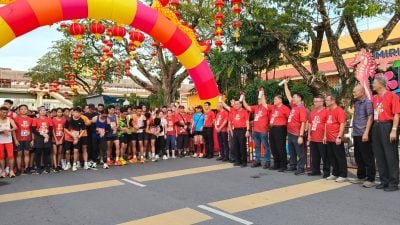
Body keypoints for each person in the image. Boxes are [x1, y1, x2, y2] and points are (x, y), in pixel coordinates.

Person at [371, 76, 400, 191]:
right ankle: (384, 181)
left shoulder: (392, 96)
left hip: (388, 125)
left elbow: (397, 114)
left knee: (390, 155)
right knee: (379, 155)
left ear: (381, 84)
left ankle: (393, 183)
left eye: (374, 83)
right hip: (377, 125)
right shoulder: (375, 98)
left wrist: (393, 130)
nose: (373, 85)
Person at [349, 85, 376, 187]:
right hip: (356, 133)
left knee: (367, 157)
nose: (354, 93)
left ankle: (370, 179)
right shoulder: (356, 103)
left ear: (361, 92)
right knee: (358, 156)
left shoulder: (367, 102)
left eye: (355, 92)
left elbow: (370, 117)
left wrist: (366, 132)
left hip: (364, 133)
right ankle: (361, 177)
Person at [283, 80, 307, 175]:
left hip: (297, 134)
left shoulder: (302, 109)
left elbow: (303, 123)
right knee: (292, 151)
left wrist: (301, 136)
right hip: (290, 132)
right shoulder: (294, 106)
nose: (293, 98)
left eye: (295, 97)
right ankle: (293, 165)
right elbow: (288, 95)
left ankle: (301, 168)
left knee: (300, 152)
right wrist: (285, 84)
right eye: (293, 97)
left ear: (300, 99)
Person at [243, 90, 271, 169]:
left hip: (263, 131)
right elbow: (247, 107)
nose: (259, 101)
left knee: (266, 146)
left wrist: (262, 93)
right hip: (255, 131)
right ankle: (257, 160)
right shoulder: (256, 107)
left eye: (260, 99)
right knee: (257, 146)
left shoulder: (266, 107)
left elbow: (264, 101)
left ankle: (267, 161)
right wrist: (243, 99)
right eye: (258, 99)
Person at [324, 94, 348, 183]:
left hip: (336, 138)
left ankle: (343, 174)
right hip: (329, 138)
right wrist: (325, 136)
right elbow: (326, 124)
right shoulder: (328, 111)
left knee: (339, 157)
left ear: (333, 101)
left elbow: (342, 123)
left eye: (327, 100)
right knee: (332, 157)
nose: (325, 102)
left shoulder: (339, 110)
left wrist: (339, 136)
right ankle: (335, 173)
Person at [222, 100, 250, 167]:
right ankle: (238, 161)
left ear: (241, 104)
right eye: (235, 104)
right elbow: (225, 106)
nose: (236, 105)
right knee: (236, 146)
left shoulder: (244, 111)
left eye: (237, 104)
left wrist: (248, 130)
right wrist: (220, 99)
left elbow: (247, 121)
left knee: (242, 147)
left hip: (242, 130)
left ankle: (244, 162)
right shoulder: (233, 110)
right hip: (235, 130)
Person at [307, 95, 329, 177]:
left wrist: (325, 136)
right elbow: (310, 124)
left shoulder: (326, 111)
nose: (314, 103)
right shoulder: (313, 112)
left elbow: (327, 124)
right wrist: (309, 135)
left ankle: (326, 172)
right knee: (315, 155)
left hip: (322, 138)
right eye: (314, 101)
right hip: (313, 137)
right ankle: (315, 170)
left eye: (316, 101)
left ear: (321, 102)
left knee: (325, 156)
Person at [269, 95, 290, 171]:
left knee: (280, 147)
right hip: (272, 128)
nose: (274, 100)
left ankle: (283, 165)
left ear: (280, 100)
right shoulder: (273, 108)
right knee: (273, 147)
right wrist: (261, 93)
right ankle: (276, 163)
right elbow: (264, 104)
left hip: (280, 128)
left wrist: (287, 129)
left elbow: (289, 119)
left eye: (275, 99)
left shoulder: (285, 108)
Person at [31, 106, 53, 174]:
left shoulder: (49, 119)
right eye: (41, 110)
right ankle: (38, 168)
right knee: (38, 153)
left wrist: (47, 136)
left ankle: (47, 168)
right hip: (38, 138)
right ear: (39, 112)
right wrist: (43, 134)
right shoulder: (35, 119)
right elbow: (33, 130)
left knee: (47, 153)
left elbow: (51, 129)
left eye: (44, 110)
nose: (43, 111)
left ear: (46, 112)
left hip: (47, 137)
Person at [13, 104, 33, 175]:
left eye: (25, 109)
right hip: (19, 139)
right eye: (21, 109)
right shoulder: (16, 119)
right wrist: (15, 140)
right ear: (19, 110)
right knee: (19, 154)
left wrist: (32, 140)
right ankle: (18, 169)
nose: (23, 110)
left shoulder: (30, 119)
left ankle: (26, 168)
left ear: (27, 110)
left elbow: (32, 130)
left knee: (27, 154)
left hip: (28, 139)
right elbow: (14, 131)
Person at [0, 106, 17, 178]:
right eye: (3, 112)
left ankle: (11, 171)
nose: (5, 114)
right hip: (0, 141)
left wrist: (8, 130)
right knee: (1, 156)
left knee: (10, 156)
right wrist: (2, 131)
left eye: (6, 113)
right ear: (0, 112)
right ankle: (3, 171)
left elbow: (15, 127)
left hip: (8, 141)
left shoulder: (9, 119)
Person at [52, 108, 66, 172]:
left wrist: (61, 139)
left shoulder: (64, 120)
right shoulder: (53, 119)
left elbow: (64, 130)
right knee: (55, 152)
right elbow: (52, 130)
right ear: (56, 113)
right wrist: (56, 140)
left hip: (61, 138)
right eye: (58, 112)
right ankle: (55, 166)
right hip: (54, 138)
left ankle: (58, 165)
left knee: (60, 152)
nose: (59, 113)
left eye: (60, 112)